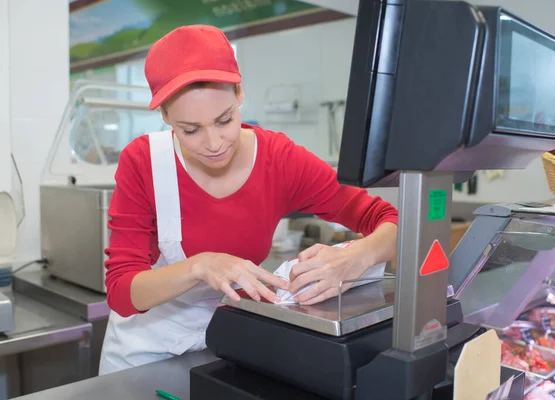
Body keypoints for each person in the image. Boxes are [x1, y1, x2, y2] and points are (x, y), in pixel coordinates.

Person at [99, 24, 399, 375]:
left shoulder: (279, 160)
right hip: (145, 355)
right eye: (190, 130)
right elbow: (121, 291)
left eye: (224, 120)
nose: (213, 144)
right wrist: (201, 265)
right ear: (165, 117)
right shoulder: (144, 163)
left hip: (230, 347)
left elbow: (388, 220)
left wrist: (356, 258)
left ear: (239, 93)